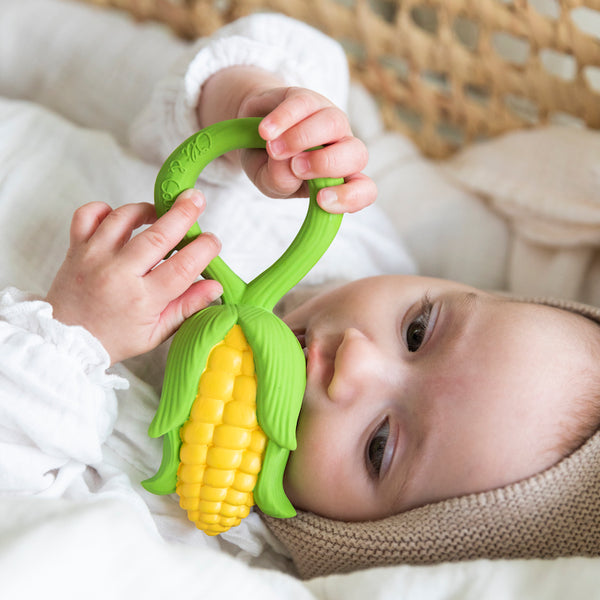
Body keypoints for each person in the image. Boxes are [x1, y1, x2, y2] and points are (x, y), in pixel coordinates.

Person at [2, 0, 600, 581]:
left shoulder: (188, 524)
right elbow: (231, 78)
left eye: (380, 445)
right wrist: (252, 108)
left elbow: (25, 503)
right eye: (418, 331)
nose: (356, 361)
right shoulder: (344, 222)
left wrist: (76, 336)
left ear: (349, 543)